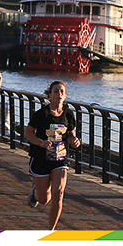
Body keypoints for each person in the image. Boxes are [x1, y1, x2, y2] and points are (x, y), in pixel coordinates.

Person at [24, 80, 81, 230]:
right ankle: (36, 191)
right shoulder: (42, 114)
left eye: (62, 91)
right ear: (49, 95)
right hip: (40, 159)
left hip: (60, 159)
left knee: (59, 193)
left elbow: (70, 134)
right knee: (44, 199)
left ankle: (51, 230)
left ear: (65, 95)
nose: (59, 94)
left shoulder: (68, 114)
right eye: (56, 91)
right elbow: (28, 132)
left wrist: (74, 140)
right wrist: (40, 142)